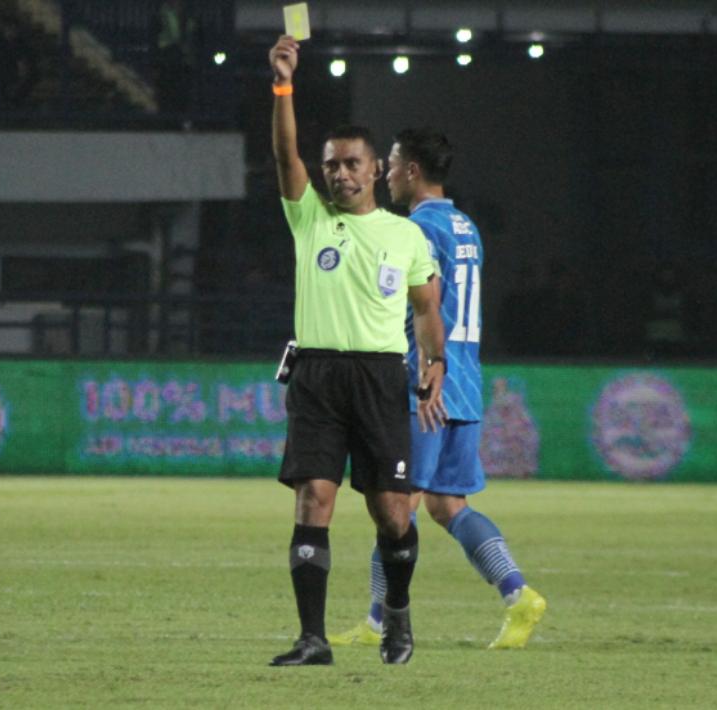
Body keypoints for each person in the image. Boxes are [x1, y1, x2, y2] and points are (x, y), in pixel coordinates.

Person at [327, 127, 547, 651]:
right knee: (447, 504)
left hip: (425, 382)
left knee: (395, 504)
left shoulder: (417, 228)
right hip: (466, 378)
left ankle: (379, 621)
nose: (386, 172)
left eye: (393, 162)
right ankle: (519, 595)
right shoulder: (465, 225)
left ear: (410, 171)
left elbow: (417, 302)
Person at [266, 36, 446, 667]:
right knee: (314, 497)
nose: (339, 173)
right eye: (331, 164)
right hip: (316, 374)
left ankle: (396, 615)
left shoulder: (405, 234)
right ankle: (312, 638)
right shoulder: (310, 219)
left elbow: (426, 307)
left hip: (377, 377)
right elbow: (284, 151)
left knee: (392, 514)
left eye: (351, 164)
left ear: (374, 170)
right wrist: (284, 84)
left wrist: (435, 364)